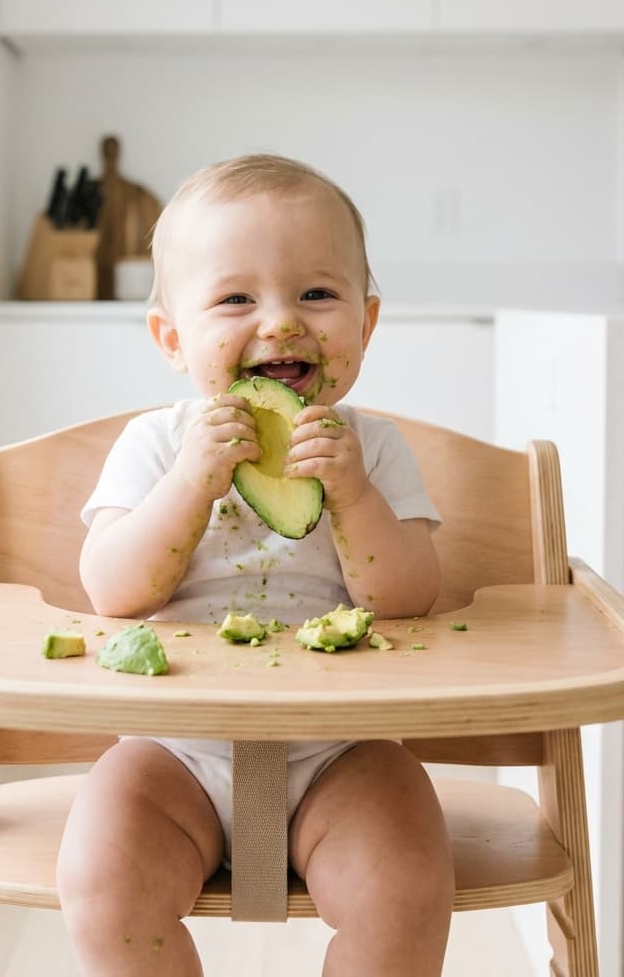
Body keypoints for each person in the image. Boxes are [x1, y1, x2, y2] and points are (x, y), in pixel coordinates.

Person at [57, 153, 455, 976]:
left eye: (316, 294)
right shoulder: (157, 445)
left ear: (366, 323)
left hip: (342, 752)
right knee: (100, 881)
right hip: (176, 754)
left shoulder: (373, 449)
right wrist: (188, 485)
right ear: (173, 339)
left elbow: (411, 599)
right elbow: (112, 592)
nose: (279, 324)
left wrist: (352, 496)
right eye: (236, 299)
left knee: (408, 890)